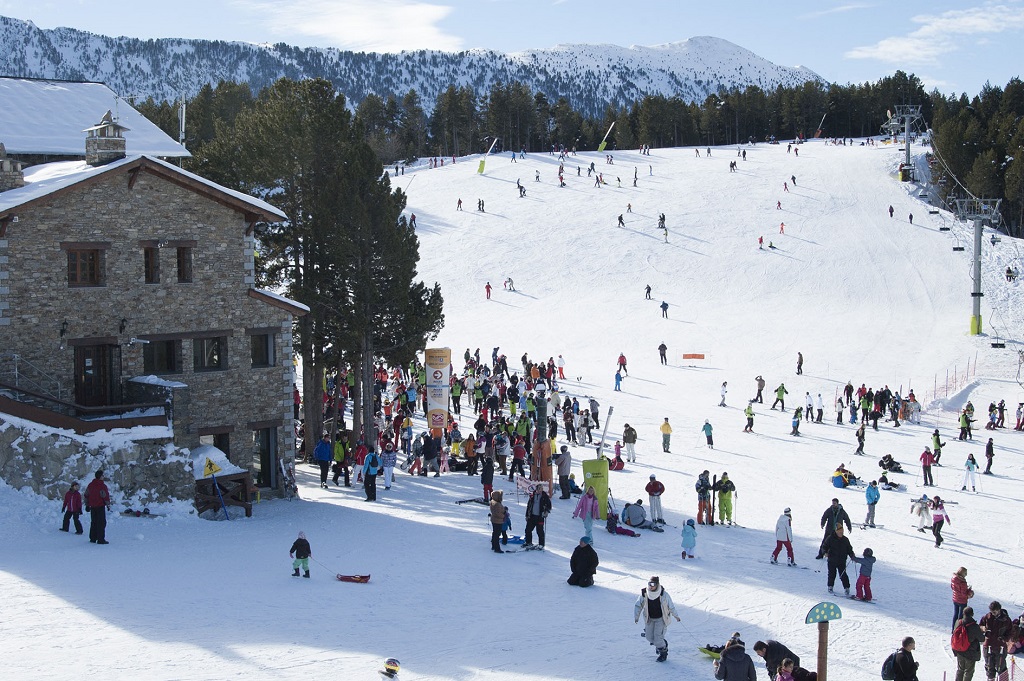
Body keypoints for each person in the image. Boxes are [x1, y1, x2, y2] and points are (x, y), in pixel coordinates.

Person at [634, 576, 681, 662]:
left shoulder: (664, 594)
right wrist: (636, 617)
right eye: (649, 584)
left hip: (661, 619)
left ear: (657, 585)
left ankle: (663, 653)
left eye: (653, 584)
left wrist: (676, 616)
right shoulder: (645, 593)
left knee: (658, 639)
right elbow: (638, 605)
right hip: (649, 618)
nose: (651, 586)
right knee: (649, 637)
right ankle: (661, 644)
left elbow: (671, 606)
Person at [980, 601, 1013, 681]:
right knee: (989, 667)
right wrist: (983, 628)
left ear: (999, 610)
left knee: (1001, 667)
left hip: (1000, 646)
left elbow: (1010, 632)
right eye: (991, 612)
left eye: (994, 612)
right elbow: (980, 626)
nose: (993, 614)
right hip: (988, 645)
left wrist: (1004, 638)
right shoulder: (987, 617)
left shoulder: (1006, 619)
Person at [821, 525, 855, 595]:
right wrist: (825, 552)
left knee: (843, 574)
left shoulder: (845, 539)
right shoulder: (830, 538)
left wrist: (852, 555)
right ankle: (830, 586)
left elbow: (849, 549)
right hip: (832, 560)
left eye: (842, 532)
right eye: (840, 532)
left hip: (842, 561)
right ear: (836, 532)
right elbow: (824, 546)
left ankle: (846, 588)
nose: (841, 534)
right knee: (832, 574)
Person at [953, 606, 984, 681]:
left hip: (959, 650)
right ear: (972, 614)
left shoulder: (958, 622)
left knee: (960, 670)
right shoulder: (974, 626)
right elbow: (981, 639)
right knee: (968, 672)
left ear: (963, 613)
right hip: (970, 652)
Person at [85, 469, 110, 544]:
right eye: (102, 475)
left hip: (92, 506)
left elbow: (86, 495)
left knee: (94, 522)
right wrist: (108, 504)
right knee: (101, 523)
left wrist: (87, 505)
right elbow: (105, 496)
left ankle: (93, 538)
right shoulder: (102, 486)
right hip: (100, 506)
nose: (103, 476)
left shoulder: (90, 485)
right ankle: (100, 539)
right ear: (100, 476)